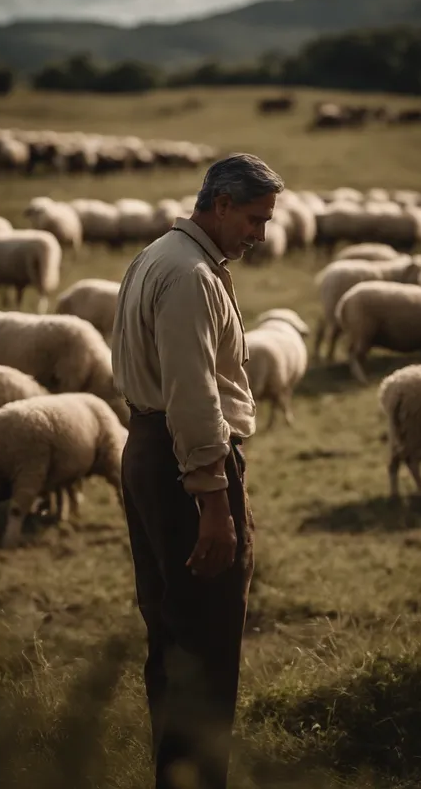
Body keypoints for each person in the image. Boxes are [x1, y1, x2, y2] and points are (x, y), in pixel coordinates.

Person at [111, 152, 284, 789]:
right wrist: (213, 500)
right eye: (254, 219)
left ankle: (175, 774)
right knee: (206, 640)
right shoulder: (189, 277)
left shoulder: (159, 255)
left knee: (172, 631)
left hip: (151, 450)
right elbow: (194, 394)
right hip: (184, 462)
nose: (261, 235)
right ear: (220, 205)